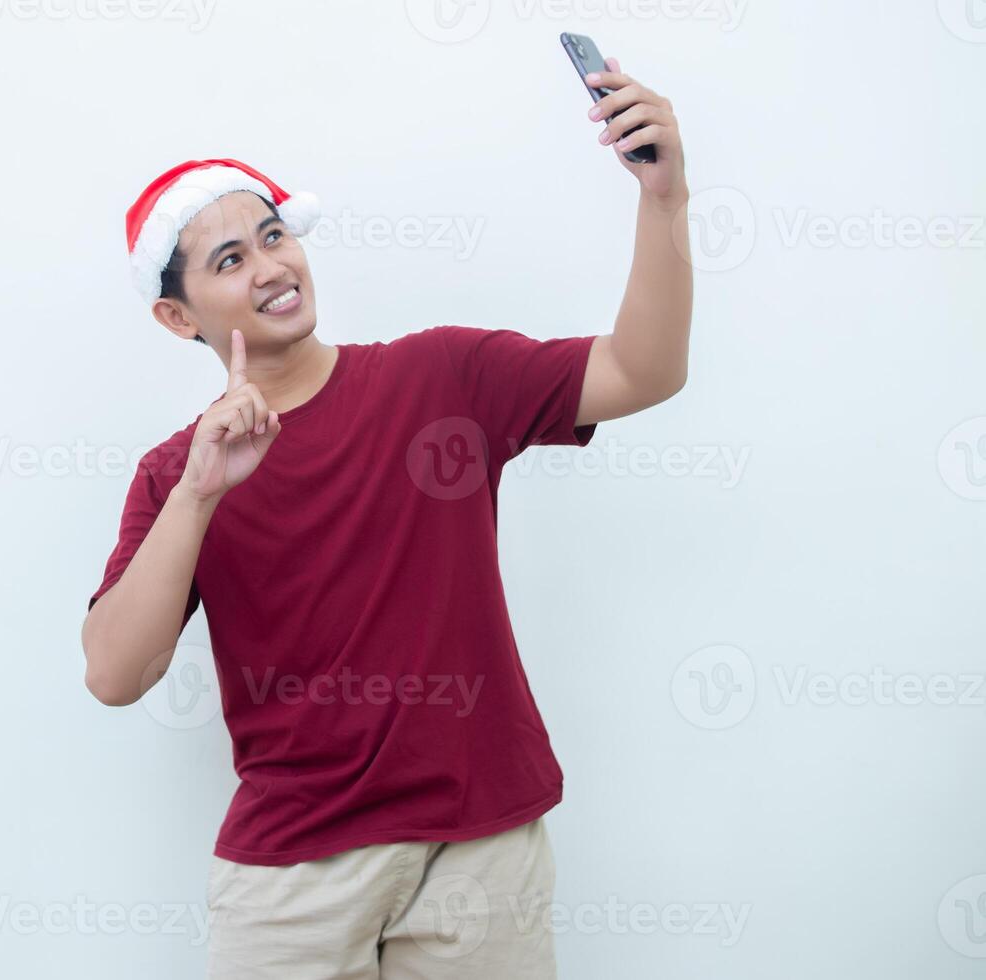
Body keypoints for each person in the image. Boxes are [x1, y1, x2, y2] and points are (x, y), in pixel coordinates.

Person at [82, 59, 690, 980]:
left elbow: (645, 372)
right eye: (230, 260)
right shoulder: (176, 475)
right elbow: (115, 674)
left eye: (274, 235)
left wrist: (664, 196)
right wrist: (201, 494)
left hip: (480, 854)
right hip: (289, 881)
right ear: (177, 315)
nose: (272, 267)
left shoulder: (440, 377)